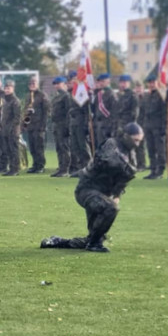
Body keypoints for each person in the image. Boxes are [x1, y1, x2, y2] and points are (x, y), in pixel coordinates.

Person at [40, 123, 142, 253]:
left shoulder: (131, 157)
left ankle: (57, 241)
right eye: (135, 140)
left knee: (95, 235)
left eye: (139, 141)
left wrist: (117, 195)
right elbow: (108, 161)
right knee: (111, 209)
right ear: (126, 136)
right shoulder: (111, 144)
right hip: (87, 189)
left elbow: (124, 179)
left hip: (103, 193)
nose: (137, 144)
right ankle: (93, 245)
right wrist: (126, 167)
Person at [141, 75, 167, 179]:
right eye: (149, 83)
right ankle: (153, 169)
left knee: (160, 149)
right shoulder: (147, 96)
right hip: (148, 126)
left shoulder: (161, 95)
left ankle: (160, 170)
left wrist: (163, 127)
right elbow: (144, 112)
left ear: (157, 83)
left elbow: (164, 113)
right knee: (150, 149)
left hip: (158, 126)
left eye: (153, 82)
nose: (151, 84)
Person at [66, 72, 92, 176]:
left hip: (81, 121)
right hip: (73, 122)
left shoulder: (81, 93)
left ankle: (88, 168)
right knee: (75, 146)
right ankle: (81, 168)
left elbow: (86, 110)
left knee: (83, 146)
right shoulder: (71, 93)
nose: (70, 83)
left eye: (71, 80)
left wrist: (86, 124)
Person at [23, 76, 50, 173]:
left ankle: (40, 166)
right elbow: (25, 110)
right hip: (30, 125)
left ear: (37, 84)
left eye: (34, 83)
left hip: (39, 126)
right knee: (32, 147)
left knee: (39, 147)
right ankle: (35, 164)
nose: (32, 85)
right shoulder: (28, 96)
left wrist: (43, 126)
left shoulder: (42, 95)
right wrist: (24, 124)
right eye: (30, 83)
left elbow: (46, 112)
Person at [114, 75, 140, 166]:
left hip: (129, 124)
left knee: (130, 145)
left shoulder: (132, 96)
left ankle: (133, 164)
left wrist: (132, 126)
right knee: (120, 145)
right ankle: (123, 163)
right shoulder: (122, 96)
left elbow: (135, 112)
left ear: (129, 83)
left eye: (125, 83)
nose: (123, 85)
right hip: (121, 124)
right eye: (121, 82)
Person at [0, 79, 23, 176]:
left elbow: (17, 117)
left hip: (13, 130)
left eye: (8, 88)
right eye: (5, 88)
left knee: (14, 149)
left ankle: (15, 168)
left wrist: (11, 128)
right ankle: (11, 168)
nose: (6, 90)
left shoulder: (15, 101)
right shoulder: (5, 101)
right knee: (8, 149)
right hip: (5, 129)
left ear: (13, 89)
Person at [50, 76, 72, 177]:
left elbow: (69, 111)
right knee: (59, 147)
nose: (56, 86)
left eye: (58, 84)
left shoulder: (66, 96)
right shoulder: (56, 97)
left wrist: (68, 126)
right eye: (55, 84)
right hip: (56, 124)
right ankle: (61, 167)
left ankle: (65, 169)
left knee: (64, 147)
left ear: (64, 84)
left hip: (63, 124)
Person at [93, 74, 116, 146]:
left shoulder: (111, 94)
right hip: (99, 124)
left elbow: (114, 112)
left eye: (103, 81)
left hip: (107, 124)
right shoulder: (99, 94)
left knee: (106, 148)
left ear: (108, 81)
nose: (101, 83)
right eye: (100, 81)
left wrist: (111, 126)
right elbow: (95, 109)